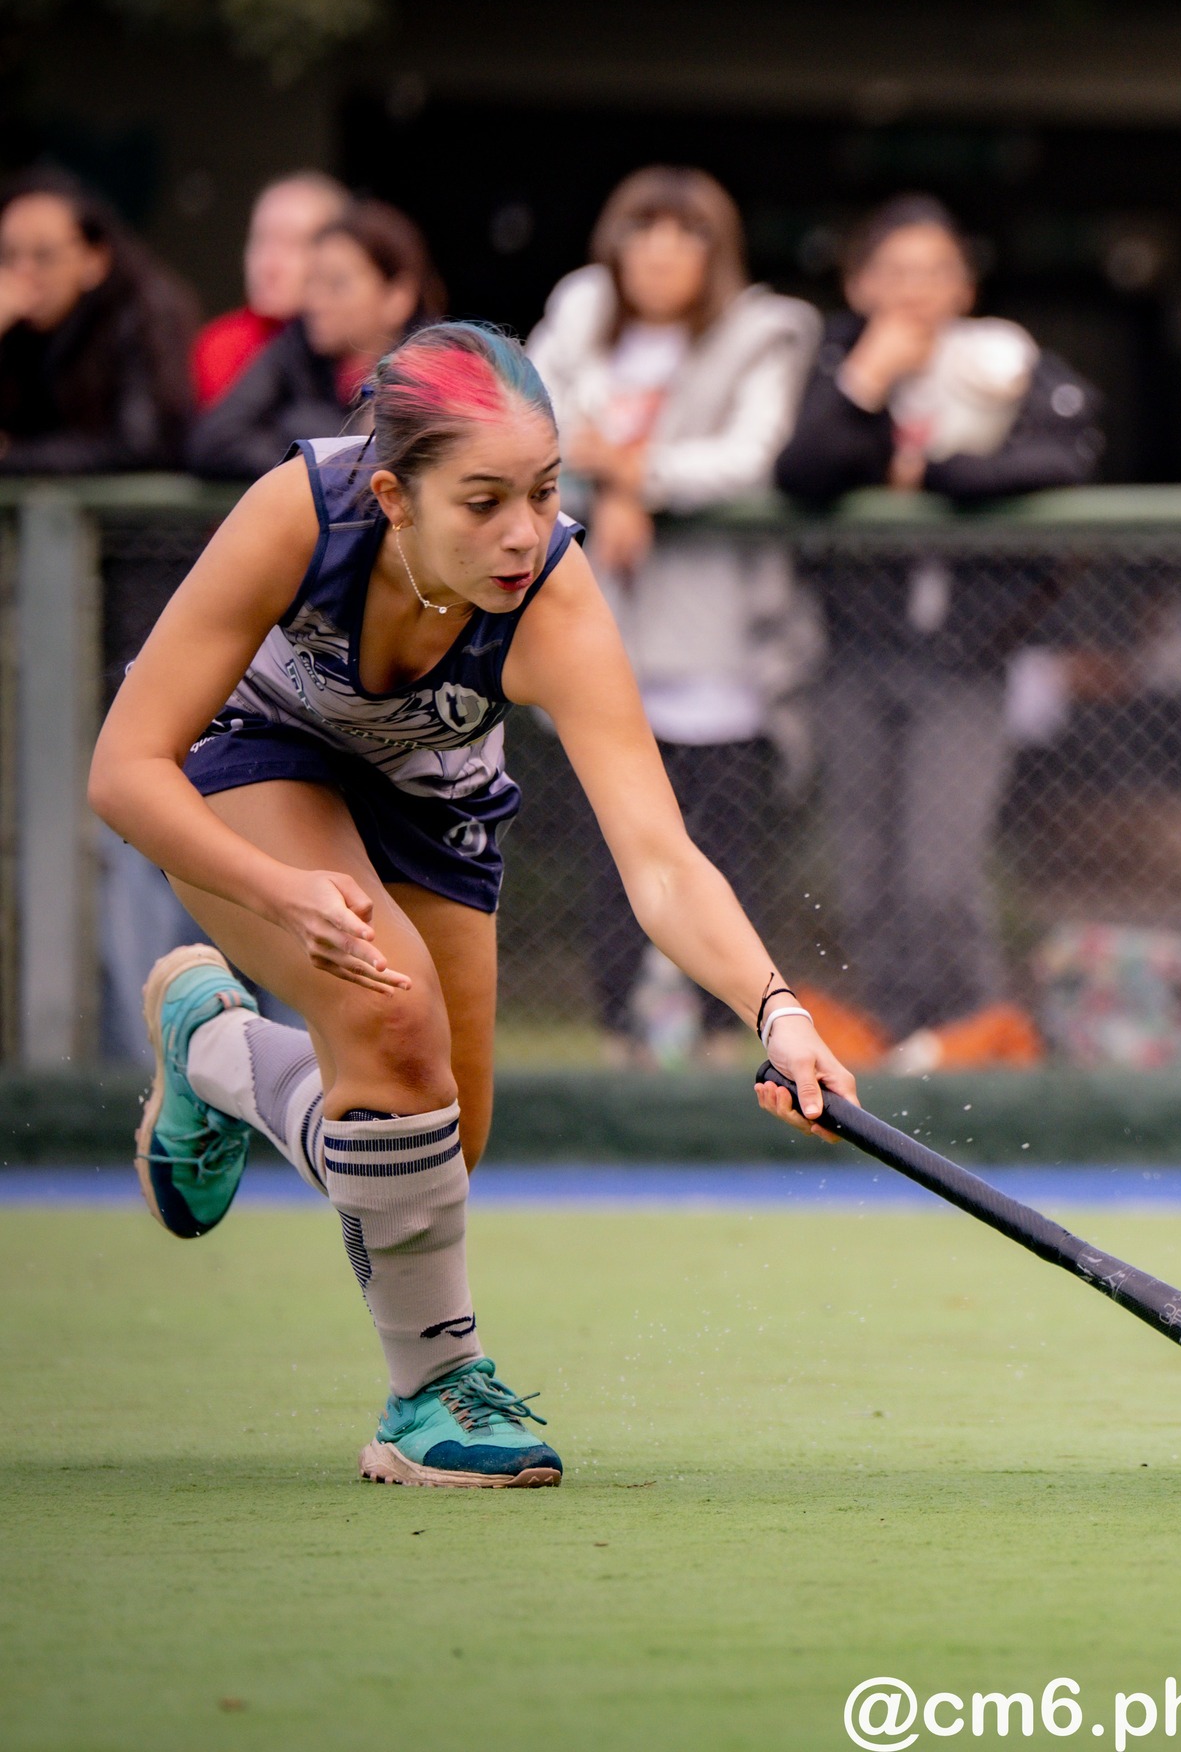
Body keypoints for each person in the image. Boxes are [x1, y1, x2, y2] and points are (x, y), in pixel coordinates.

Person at [90, 323, 853, 1487]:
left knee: (436, 1141)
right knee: (394, 1028)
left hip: (430, 801)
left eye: (543, 491)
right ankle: (432, 1395)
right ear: (394, 494)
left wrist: (776, 1007)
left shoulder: (549, 590)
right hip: (252, 758)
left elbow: (659, 858)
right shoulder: (299, 512)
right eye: (483, 499)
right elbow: (122, 769)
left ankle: (217, 1053)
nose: (520, 531)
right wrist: (282, 890)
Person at [775, 195, 1103, 1062]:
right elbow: (802, 468)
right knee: (864, 878)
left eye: (935, 270)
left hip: (965, 659)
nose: (917, 291)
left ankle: (977, 1044)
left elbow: (1067, 457)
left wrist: (936, 471)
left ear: (965, 282)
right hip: (854, 653)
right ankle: (897, 1051)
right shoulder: (843, 363)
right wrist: (870, 381)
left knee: (939, 877)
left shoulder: (1008, 361)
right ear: (859, 283)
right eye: (896, 272)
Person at [528, 167, 820, 1061]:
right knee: (611, 860)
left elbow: (752, 456)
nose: (659, 250)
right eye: (641, 230)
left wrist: (632, 477)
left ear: (715, 249)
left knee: (721, 851)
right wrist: (616, 476)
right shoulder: (579, 313)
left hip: (721, 645)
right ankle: (622, 1043)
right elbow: (525, 417)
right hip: (599, 632)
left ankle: (730, 1046)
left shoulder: (766, 330)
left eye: (683, 232)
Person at [188, 201, 441, 478]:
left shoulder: (432, 369)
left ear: (398, 297)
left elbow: (396, 464)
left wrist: (298, 429)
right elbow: (214, 440)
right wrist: (317, 456)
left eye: (337, 284)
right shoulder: (294, 344)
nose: (315, 301)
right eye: (311, 281)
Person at [0, 168, 194, 474]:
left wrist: (15, 455)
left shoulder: (141, 316)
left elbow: (141, 445)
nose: (23, 273)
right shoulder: (13, 327)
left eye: (44, 255)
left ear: (95, 260)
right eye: (8, 255)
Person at [190, 172, 350, 409]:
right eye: (261, 240)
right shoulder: (221, 347)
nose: (268, 264)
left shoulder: (360, 348)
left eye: (293, 244)